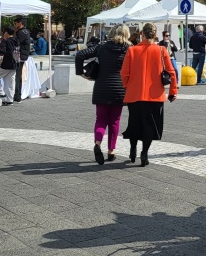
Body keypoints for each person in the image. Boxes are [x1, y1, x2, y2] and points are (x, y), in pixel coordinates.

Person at [121, 23, 178, 166]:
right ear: (155, 34)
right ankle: (144, 152)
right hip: (155, 95)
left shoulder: (132, 50)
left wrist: (128, 86)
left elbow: (124, 73)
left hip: (135, 94)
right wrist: (173, 92)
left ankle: (133, 148)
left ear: (142, 34)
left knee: (134, 124)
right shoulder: (161, 50)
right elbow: (171, 72)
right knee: (151, 126)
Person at [76, 24, 130, 164]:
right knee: (114, 121)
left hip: (101, 88)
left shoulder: (101, 47)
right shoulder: (129, 49)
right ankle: (111, 151)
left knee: (100, 120)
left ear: (112, 33)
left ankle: (97, 144)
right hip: (119, 89)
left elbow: (80, 55)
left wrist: (81, 73)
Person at [0, 28, 18, 106]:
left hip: (7, 63)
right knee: (10, 82)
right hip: (15, 63)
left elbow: (4, 52)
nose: (4, 35)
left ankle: (1, 93)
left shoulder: (6, 41)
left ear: (7, 33)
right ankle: (9, 99)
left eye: (4, 33)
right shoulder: (16, 41)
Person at [12, 18, 32, 103]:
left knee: (17, 75)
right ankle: (16, 94)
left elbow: (16, 42)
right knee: (17, 75)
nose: (15, 25)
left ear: (20, 23)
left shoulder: (22, 32)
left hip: (20, 56)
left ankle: (17, 95)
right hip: (21, 55)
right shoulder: (24, 31)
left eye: (16, 23)